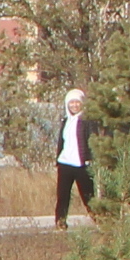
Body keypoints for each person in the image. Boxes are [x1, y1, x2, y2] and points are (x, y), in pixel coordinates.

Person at [52, 88, 95, 227]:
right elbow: (62, 142)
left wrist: (90, 158)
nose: (74, 105)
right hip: (65, 163)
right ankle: (60, 222)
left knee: (89, 196)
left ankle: (101, 221)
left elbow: (92, 140)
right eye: (71, 103)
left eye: (77, 102)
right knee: (62, 196)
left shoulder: (87, 121)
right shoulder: (66, 121)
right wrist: (58, 160)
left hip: (82, 164)